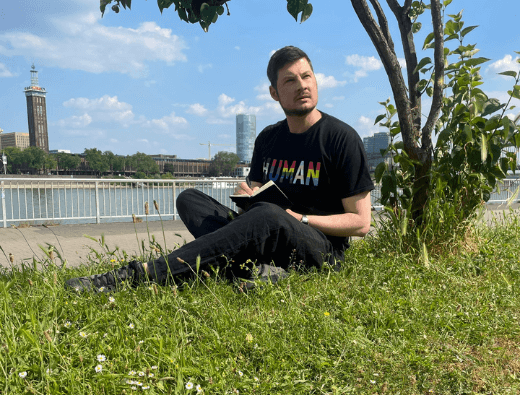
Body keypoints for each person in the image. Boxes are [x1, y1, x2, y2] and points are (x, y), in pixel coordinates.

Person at [65, 46, 374, 293]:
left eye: (307, 76)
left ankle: (140, 274)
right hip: (268, 234)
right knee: (189, 199)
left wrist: (300, 218)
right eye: (290, 81)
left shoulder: (340, 138)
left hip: (319, 249)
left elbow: (361, 223)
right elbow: (256, 193)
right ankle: (258, 269)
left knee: (268, 216)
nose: (302, 85)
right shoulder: (268, 138)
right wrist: (246, 195)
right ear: (274, 93)